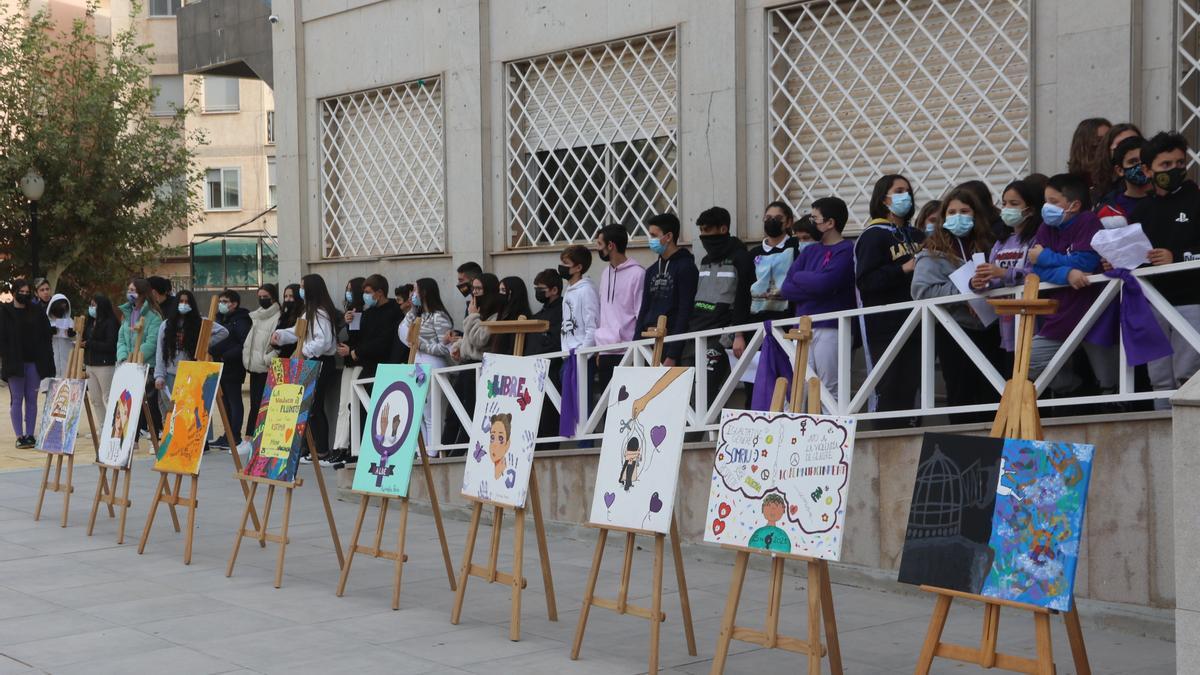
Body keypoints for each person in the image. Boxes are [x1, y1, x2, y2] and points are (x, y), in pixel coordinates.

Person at [912, 188, 1001, 423]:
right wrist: (965, 291)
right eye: (951, 212)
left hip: (992, 329)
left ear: (976, 214)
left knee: (994, 394)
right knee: (962, 396)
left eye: (964, 211)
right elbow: (922, 292)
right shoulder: (932, 252)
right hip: (955, 331)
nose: (958, 216)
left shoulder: (992, 245)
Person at [1027, 173, 1115, 396]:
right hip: (1060, 313)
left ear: (1074, 205)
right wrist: (1067, 273)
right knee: (1029, 359)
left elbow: (1086, 262)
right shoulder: (1045, 228)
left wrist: (1046, 257)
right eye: (1046, 202)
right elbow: (1036, 269)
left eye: (1054, 202)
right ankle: (1074, 390)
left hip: (1093, 309)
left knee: (1110, 380)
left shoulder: (1088, 221)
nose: (1047, 207)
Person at [1130, 131, 1200, 403]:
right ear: (1147, 170)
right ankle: (1163, 434)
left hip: (1191, 301)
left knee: (1188, 373)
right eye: (1166, 165)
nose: (1175, 170)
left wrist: (1178, 257)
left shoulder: (1196, 199)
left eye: (1180, 163)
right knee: (1159, 378)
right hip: (1152, 305)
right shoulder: (1140, 212)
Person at [855, 174, 925, 427]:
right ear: (883, 198)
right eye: (898, 190)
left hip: (919, 323)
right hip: (885, 326)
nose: (905, 195)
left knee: (912, 386)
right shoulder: (873, 236)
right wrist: (903, 269)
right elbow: (866, 282)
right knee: (890, 387)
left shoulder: (916, 236)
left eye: (907, 190)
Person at [780, 197, 856, 402]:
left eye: (815, 218)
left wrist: (801, 278)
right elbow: (786, 288)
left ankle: (831, 432)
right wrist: (814, 284)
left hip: (831, 327)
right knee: (799, 387)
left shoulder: (847, 250)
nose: (811, 222)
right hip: (802, 326)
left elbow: (827, 283)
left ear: (830, 223)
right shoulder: (810, 250)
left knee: (830, 387)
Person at [332, 274, 403, 467]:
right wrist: (349, 326)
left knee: (380, 410)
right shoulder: (369, 313)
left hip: (385, 366)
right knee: (355, 406)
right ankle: (356, 450)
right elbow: (361, 337)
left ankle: (375, 450)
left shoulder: (394, 312)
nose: (365, 296)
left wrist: (357, 352)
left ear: (380, 293)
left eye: (368, 292)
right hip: (368, 365)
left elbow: (384, 341)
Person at [688, 206, 754, 404]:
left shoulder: (741, 258)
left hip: (723, 335)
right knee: (690, 389)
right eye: (701, 231)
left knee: (706, 390)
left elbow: (744, 297)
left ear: (723, 229)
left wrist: (738, 334)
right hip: (697, 332)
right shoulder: (705, 260)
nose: (703, 236)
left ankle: (699, 434)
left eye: (707, 231)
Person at [273, 275, 341, 462]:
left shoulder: (320, 313)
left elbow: (322, 341)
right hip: (311, 362)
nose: (300, 290)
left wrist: (303, 351)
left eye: (303, 287)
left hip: (319, 362)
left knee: (315, 406)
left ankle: (321, 450)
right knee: (311, 406)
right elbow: (298, 332)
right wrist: (279, 335)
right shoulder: (308, 312)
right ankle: (313, 449)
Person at [972, 180, 1043, 358]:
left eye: (1014, 203)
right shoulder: (1000, 242)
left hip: (1033, 322)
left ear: (1031, 209)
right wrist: (979, 283)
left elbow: (1035, 275)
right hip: (1006, 324)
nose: (1006, 208)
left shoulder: (1037, 239)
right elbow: (993, 279)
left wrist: (1004, 273)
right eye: (1004, 203)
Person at [399, 278, 455, 453]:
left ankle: (432, 452)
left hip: (432, 365)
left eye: (415, 291)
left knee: (431, 413)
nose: (412, 295)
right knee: (419, 413)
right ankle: (420, 452)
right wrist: (413, 309)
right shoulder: (417, 314)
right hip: (417, 363)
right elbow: (404, 330)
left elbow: (444, 347)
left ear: (424, 292)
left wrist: (421, 345)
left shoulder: (439, 316)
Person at [636, 213, 698, 367]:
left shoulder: (686, 267)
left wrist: (673, 353)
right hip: (648, 342)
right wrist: (636, 344)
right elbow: (644, 308)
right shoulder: (651, 270)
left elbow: (685, 310)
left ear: (668, 236)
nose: (651, 240)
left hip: (670, 341)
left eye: (654, 235)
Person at [155, 290, 229, 414]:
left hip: (192, 374)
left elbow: (223, 332)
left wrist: (204, 344)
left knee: (194, 413)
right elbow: (160, 352)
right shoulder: (166, 325)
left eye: (187, 302)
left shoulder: (200, 322)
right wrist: (159, 376)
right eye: (181, 301)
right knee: (173, 413)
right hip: (171, 375)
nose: (184, 304)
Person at [0, 279, 54, 448]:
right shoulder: (5, 311)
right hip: (14, 362)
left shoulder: (37, 311)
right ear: (14, 292)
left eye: (27, 292)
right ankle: (19, 436)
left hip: (33, 362)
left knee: (32, 399)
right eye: (21, 292)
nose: (24, 295)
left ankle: (30, 435)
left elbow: (46, 334)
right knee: (16, 399)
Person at [594, 224, 644, 397]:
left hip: (627, 351)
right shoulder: (605, 274)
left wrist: (635, 350)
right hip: (606, 351)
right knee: (606, 406)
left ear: (611, 245)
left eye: (600, 244)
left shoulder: (637, 274)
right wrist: (600, 349)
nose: (597, 248)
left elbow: (640, 313)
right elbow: (604, 312)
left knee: (625, 408)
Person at [116, 278, 163, 438]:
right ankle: (131, 439)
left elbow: (151, 342)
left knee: (149, 404)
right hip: (128, 364)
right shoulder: (126, 315)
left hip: (145, 365)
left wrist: (136, 357)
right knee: (128, 403)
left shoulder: (153, 316)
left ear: (143, 294)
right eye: (129, 290)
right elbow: (121, 339)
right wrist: (124, 357)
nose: (130, 294)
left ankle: (155, 435)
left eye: (133, 291)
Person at [209, 289, 252, 451]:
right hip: (219, 366)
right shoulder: (219, 318)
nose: (222, 305)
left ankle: (234, 435)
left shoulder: (241, 321)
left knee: (234, 401)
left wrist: (225, 356)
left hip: (233, 367)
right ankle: (226, 435)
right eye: (220, 301)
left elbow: (243, 344)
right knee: (224, 401)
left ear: (234, 304)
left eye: (225, 302)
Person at [751, 202, 799, 326]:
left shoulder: (797, 246)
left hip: (789, 319)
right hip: (758, 322)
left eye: (778, 218)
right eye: (768, 218)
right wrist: (739, 332)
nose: (772, 221)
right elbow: (744, 289)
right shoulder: (753, 253)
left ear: (788, 222)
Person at [243, 284, 280, 442]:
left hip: (266, 367)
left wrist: (267, 359)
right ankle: (250, 438)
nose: (262, 299)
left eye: (266, 297)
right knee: (255, 405)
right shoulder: (257, 316)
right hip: (255, 367)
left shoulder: (277, 316)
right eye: (260, 296)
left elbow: (279, 344)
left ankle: (256, 439)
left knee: (264, 405)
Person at [1096, 136, 1153, 225]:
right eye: (1133, 162)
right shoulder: (1110, 209)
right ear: (1120, 170)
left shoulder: (1165, 199)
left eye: (1144, 160)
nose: (1140, 166)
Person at [83, 294, 119, 430]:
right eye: (90, 305)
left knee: (108, 397)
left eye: (94, 305)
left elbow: (110, 345)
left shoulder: (110, 322)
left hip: (105, 365)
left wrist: (90, 344)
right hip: (90, 364)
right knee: (95, 399)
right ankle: (103, 426)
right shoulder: (90, 323)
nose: (91, 308)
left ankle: (115, 426)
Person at [559, 245, 600, 355]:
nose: (562, 266)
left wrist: (583, 355)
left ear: (578, 268)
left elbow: (592, 326)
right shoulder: (568, 290)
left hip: (581, 357)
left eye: (566, 263)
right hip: (568, 354)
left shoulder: (587, 290)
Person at [1067, 117, 1112, 191]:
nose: (1106, 145)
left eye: (1109, 139)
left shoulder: (1118, 178)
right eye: (1099, 140)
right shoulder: (1070, 185)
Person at [497, 276, 534, 355]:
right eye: (499, 290)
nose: (500, 294)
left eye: (503, 290)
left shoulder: (522, 317)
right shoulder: (503, 314)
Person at [45, 293, 74, 380]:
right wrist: (48, 332)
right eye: (61, 304)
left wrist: (71, 334)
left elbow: (78, 340)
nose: (63, 306)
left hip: (67, 359)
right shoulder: (45, 321)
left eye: (65, 304)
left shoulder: (70, 321)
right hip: (50, 360)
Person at [275, 283, 303, 359]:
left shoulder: (303, 315)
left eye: (291, 296)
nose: (287, 299)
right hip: (281, 358)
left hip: (296, 359)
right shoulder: (284, 314)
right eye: (285, 296)